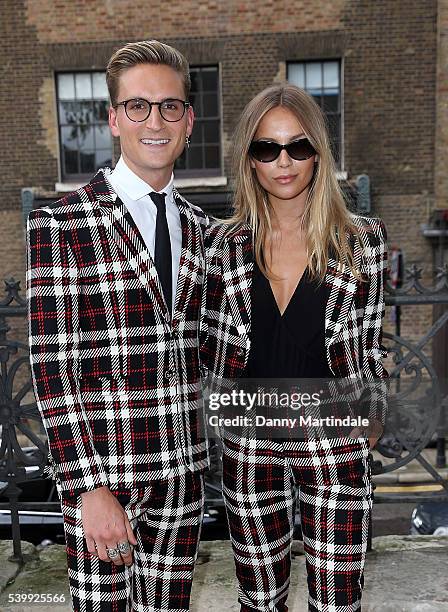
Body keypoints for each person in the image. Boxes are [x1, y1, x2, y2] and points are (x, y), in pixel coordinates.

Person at [27, 40, 209, 611]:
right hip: (108, 483)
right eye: (137, 106)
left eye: (169, 106)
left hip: (184, 481)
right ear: (113, 119)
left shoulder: (205, 229)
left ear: (188, 120)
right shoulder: (61, 223)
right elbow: (52, 369)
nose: (154, 121)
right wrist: (86, 489)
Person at [200, 83, 388, 612]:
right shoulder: (222, 245)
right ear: (250, 161)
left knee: (337, 602)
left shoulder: (362, 242)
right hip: (250, 440)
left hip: (333, 438)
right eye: (267, 148)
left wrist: (370, 417)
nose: (284, 162)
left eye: (298, 147)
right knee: (260, 602)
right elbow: (208, 344)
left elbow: (369, 344)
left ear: (318, 154)